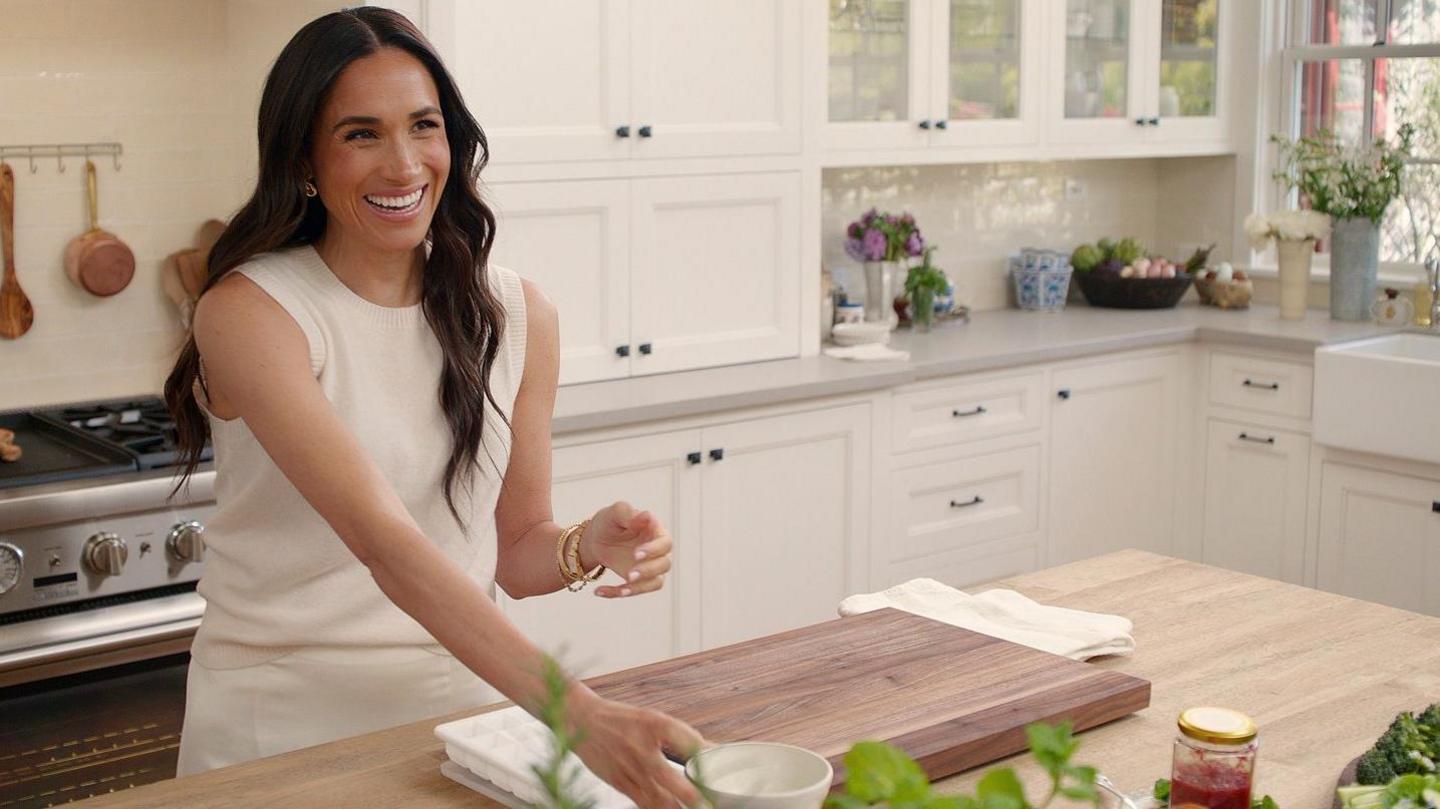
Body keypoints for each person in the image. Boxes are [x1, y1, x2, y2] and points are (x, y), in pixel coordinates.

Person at [162, 9, 703, 807]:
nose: (404, 163)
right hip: (277, 735)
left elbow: (512, 552)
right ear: (304, 157)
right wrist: (579, 713)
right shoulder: (252, 313)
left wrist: (587, 543)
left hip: (460, 728)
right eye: (360, 134)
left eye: (425, 126)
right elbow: (389, 547)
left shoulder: (518, 314)